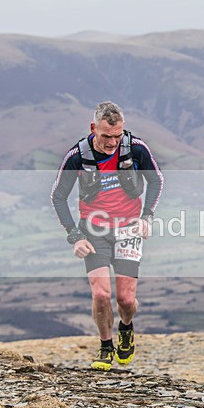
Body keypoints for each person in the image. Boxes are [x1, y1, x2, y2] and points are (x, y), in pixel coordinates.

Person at [51, 101, 164, 371]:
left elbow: (157, 179)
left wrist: (147, 215)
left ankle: (126, 328)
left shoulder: (135, 148)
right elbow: (58, 196)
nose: (113, 143)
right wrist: (75, 236)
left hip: (128, 229)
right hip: (94, 232)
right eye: (106, 136)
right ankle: (105, 347)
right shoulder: (77, 155)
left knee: (126, 300)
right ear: (93, 128)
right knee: (101, 294)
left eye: (117, 136)